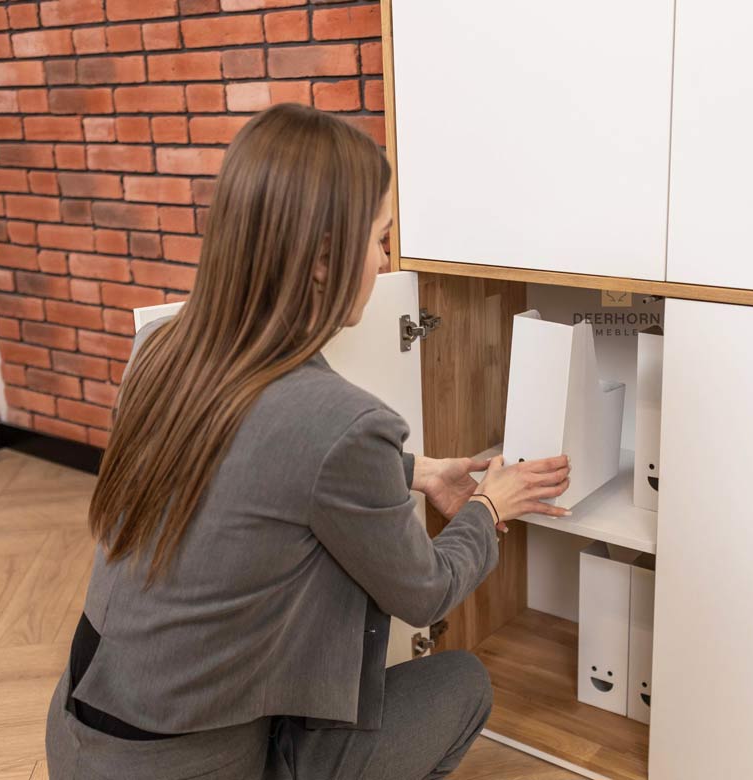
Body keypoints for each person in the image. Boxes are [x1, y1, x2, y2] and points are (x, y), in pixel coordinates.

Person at [44, 103, 572, 780]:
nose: (385, 261)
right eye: (380, 238)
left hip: (82, 737)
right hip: (190, 766)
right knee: (462, 685)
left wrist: (412, 470)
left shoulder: (162, 348)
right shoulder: (340, 422)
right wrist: (489, 506)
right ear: (324, 259)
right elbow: (426, 592)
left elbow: (252, 463)